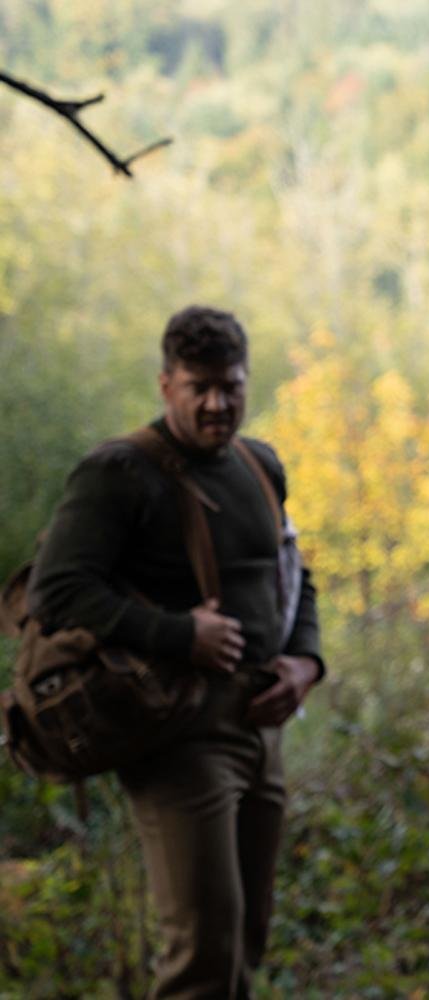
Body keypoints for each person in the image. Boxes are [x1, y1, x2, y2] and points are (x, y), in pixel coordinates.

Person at [28, 305, 324, 998]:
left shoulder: (259, 464)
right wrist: (179, 633)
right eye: (200, 388)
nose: (218, 403)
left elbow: (294, 574)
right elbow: (56, 592)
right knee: (202, 956)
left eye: (231, 385)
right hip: (178, 734)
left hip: (261, 726)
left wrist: (307, 662)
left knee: (245, 941)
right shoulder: (119, 472)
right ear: (167, 385)